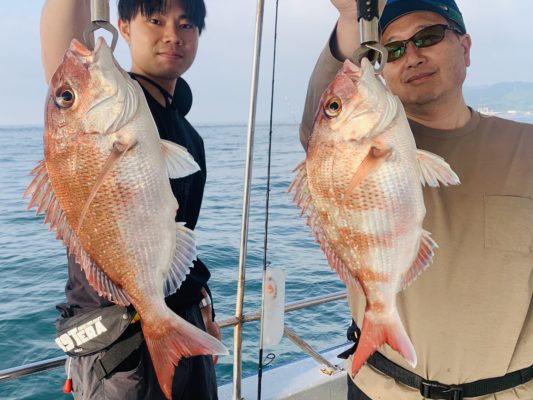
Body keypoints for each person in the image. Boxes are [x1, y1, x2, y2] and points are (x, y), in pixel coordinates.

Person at [300, 0, 533, 399]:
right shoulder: (350, 144)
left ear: (465, 47)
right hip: (382, 389)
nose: (412, 56)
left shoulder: (526, 147)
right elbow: (318, 129)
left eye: (428, 37)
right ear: (383, 69)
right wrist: (350, 17)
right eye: (392, 49)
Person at [40, 0, 220, 398]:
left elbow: (176, 237)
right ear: (122, 26)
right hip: (118, 349)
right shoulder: (108, 104)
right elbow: (63, 62)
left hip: (180, 319)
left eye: (186, 25)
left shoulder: (186, 133)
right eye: (155, 20)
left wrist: (203, 307)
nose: (172, 35)